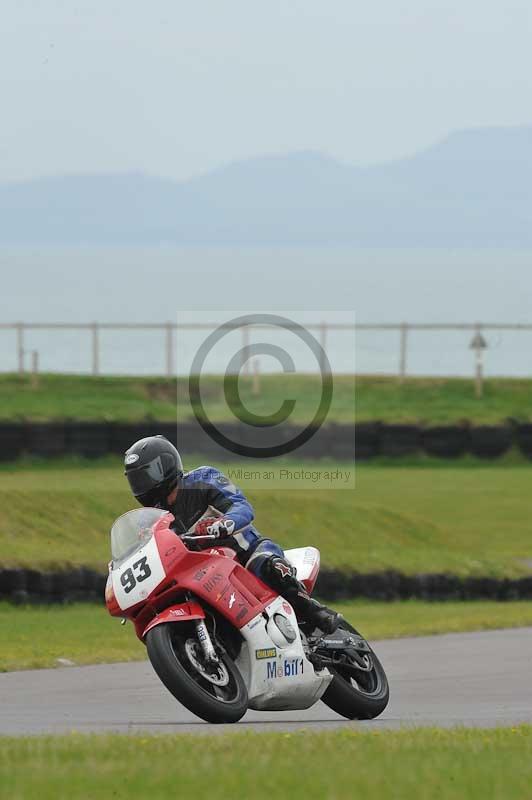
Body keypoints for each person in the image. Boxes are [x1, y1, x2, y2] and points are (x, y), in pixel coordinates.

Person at [124, 434, 341, 634]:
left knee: (268, 568)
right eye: (136, 480)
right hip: (205, 576)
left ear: (166, 465)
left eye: (146, 475)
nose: (142, 485)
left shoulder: (203, 479)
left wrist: (224, 523)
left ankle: (317, 613)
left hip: (247, 553)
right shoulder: (155, 520)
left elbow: (242, 507)